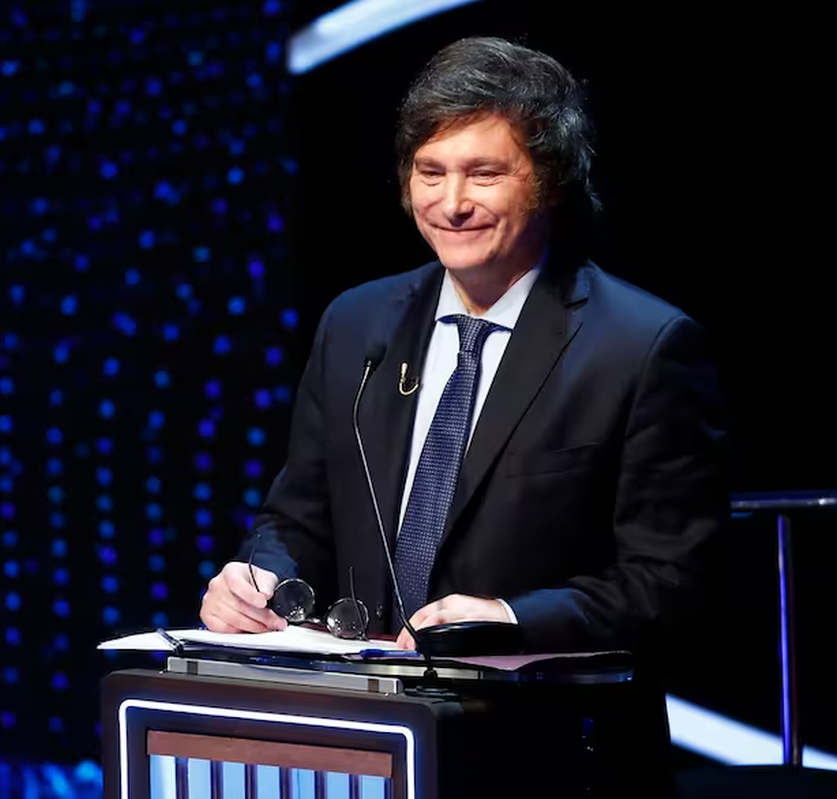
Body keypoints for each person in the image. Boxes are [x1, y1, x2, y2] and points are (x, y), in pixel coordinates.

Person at [200, 35, 729, 791]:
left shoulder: (643, 347)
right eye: (431, 172)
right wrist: (259, 578)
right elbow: (298, 516)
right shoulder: (356, 323)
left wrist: (509, 618)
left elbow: (669, 582)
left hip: (549, 748)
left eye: (484, 173)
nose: (451, 204)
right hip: (360, 739)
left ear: (548, 180)